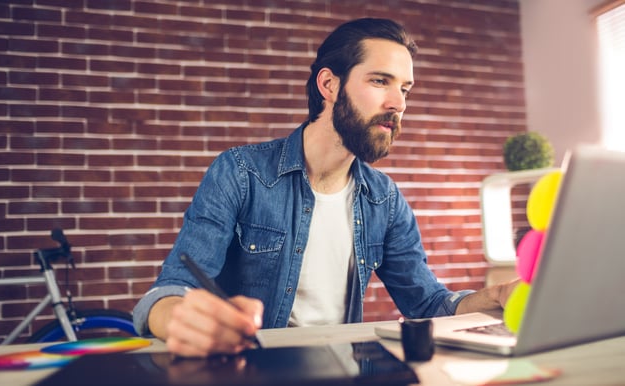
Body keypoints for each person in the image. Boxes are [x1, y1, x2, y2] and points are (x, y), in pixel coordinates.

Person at [133, 17, 518, 357]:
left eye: (406, 89)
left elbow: (427, 303)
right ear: (329, 84)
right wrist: (180, 318)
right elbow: (167, 294)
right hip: (252, 371)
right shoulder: (240, 173)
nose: (398, 102)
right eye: (380, 81)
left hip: (343, 371)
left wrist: (495, 295)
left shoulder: (383, 200)